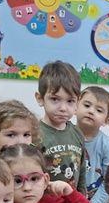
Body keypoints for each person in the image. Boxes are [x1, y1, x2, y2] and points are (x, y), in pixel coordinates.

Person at [0, 143, 95, 203]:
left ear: (45, 180)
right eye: (17, 181)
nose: (27, 188)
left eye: (34, 178)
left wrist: (70, 193)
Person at [36, 60, 86, 192]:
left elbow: (82, 170)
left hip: (72, 199)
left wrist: (82, 197)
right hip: (46, 201)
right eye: (55, 99)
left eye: (70, 101)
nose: (63, 108)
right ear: (40, 98)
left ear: (77, 102)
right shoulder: (34, 135)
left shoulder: (77, 133)